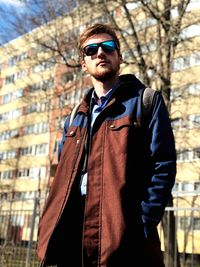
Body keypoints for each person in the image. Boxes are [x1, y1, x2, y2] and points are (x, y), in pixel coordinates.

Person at [37, 23, 176, 267]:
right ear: (84, 63)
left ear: (119, 57)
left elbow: (163, 167)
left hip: (124, 240)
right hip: (73, 239)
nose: (100, 53)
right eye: (91, 50)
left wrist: (141, 224)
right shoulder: (74, 116)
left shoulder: (146, 101)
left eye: (108, 47)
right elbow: (61, 176)